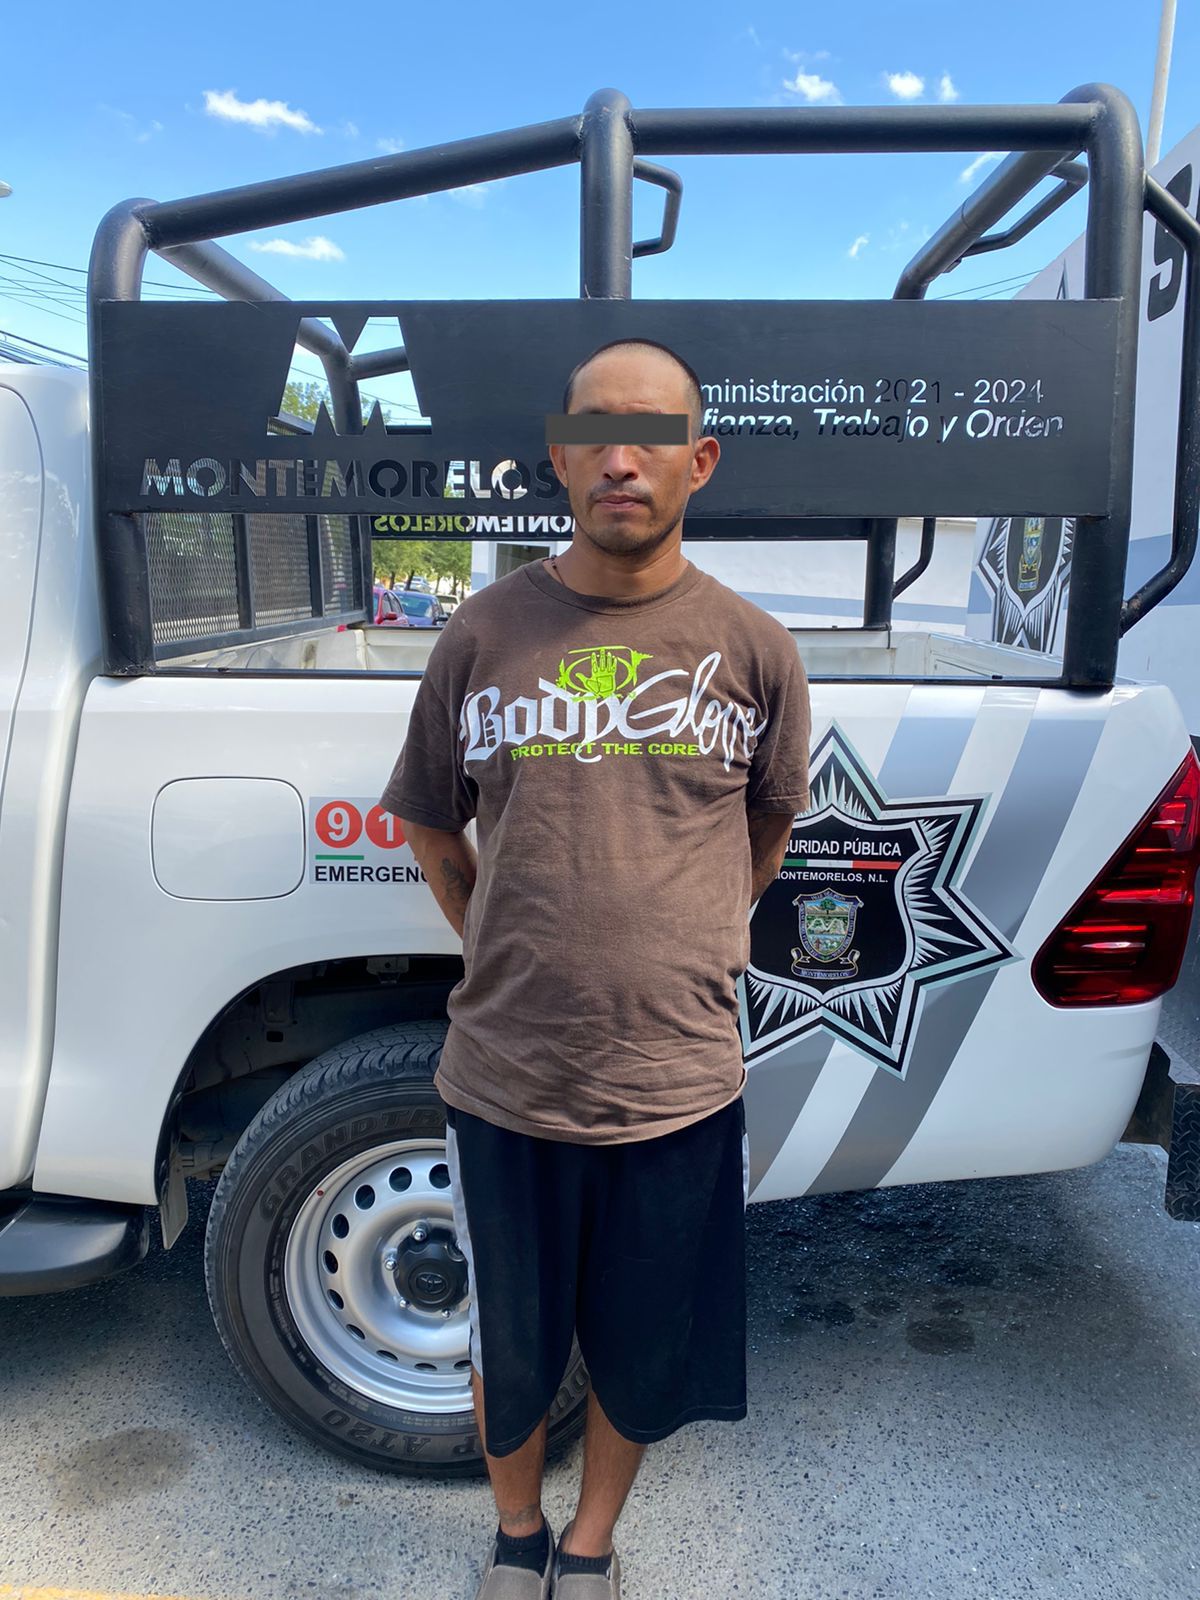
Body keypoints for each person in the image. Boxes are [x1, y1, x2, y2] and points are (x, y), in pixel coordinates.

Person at [379, 337, 811, 1598]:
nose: (624, 458)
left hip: (679, 1085)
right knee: (508, 1344)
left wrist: (683, 938)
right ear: (560, 457)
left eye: (655, 434)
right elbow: (429, 821)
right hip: (504, 1079)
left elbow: (768, 828)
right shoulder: (481, 632)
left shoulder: (755, 649)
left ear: (699, 460)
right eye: (596, 434)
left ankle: (589, 1544)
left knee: (642, 1343)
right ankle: (516, 1536)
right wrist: (501, 944)